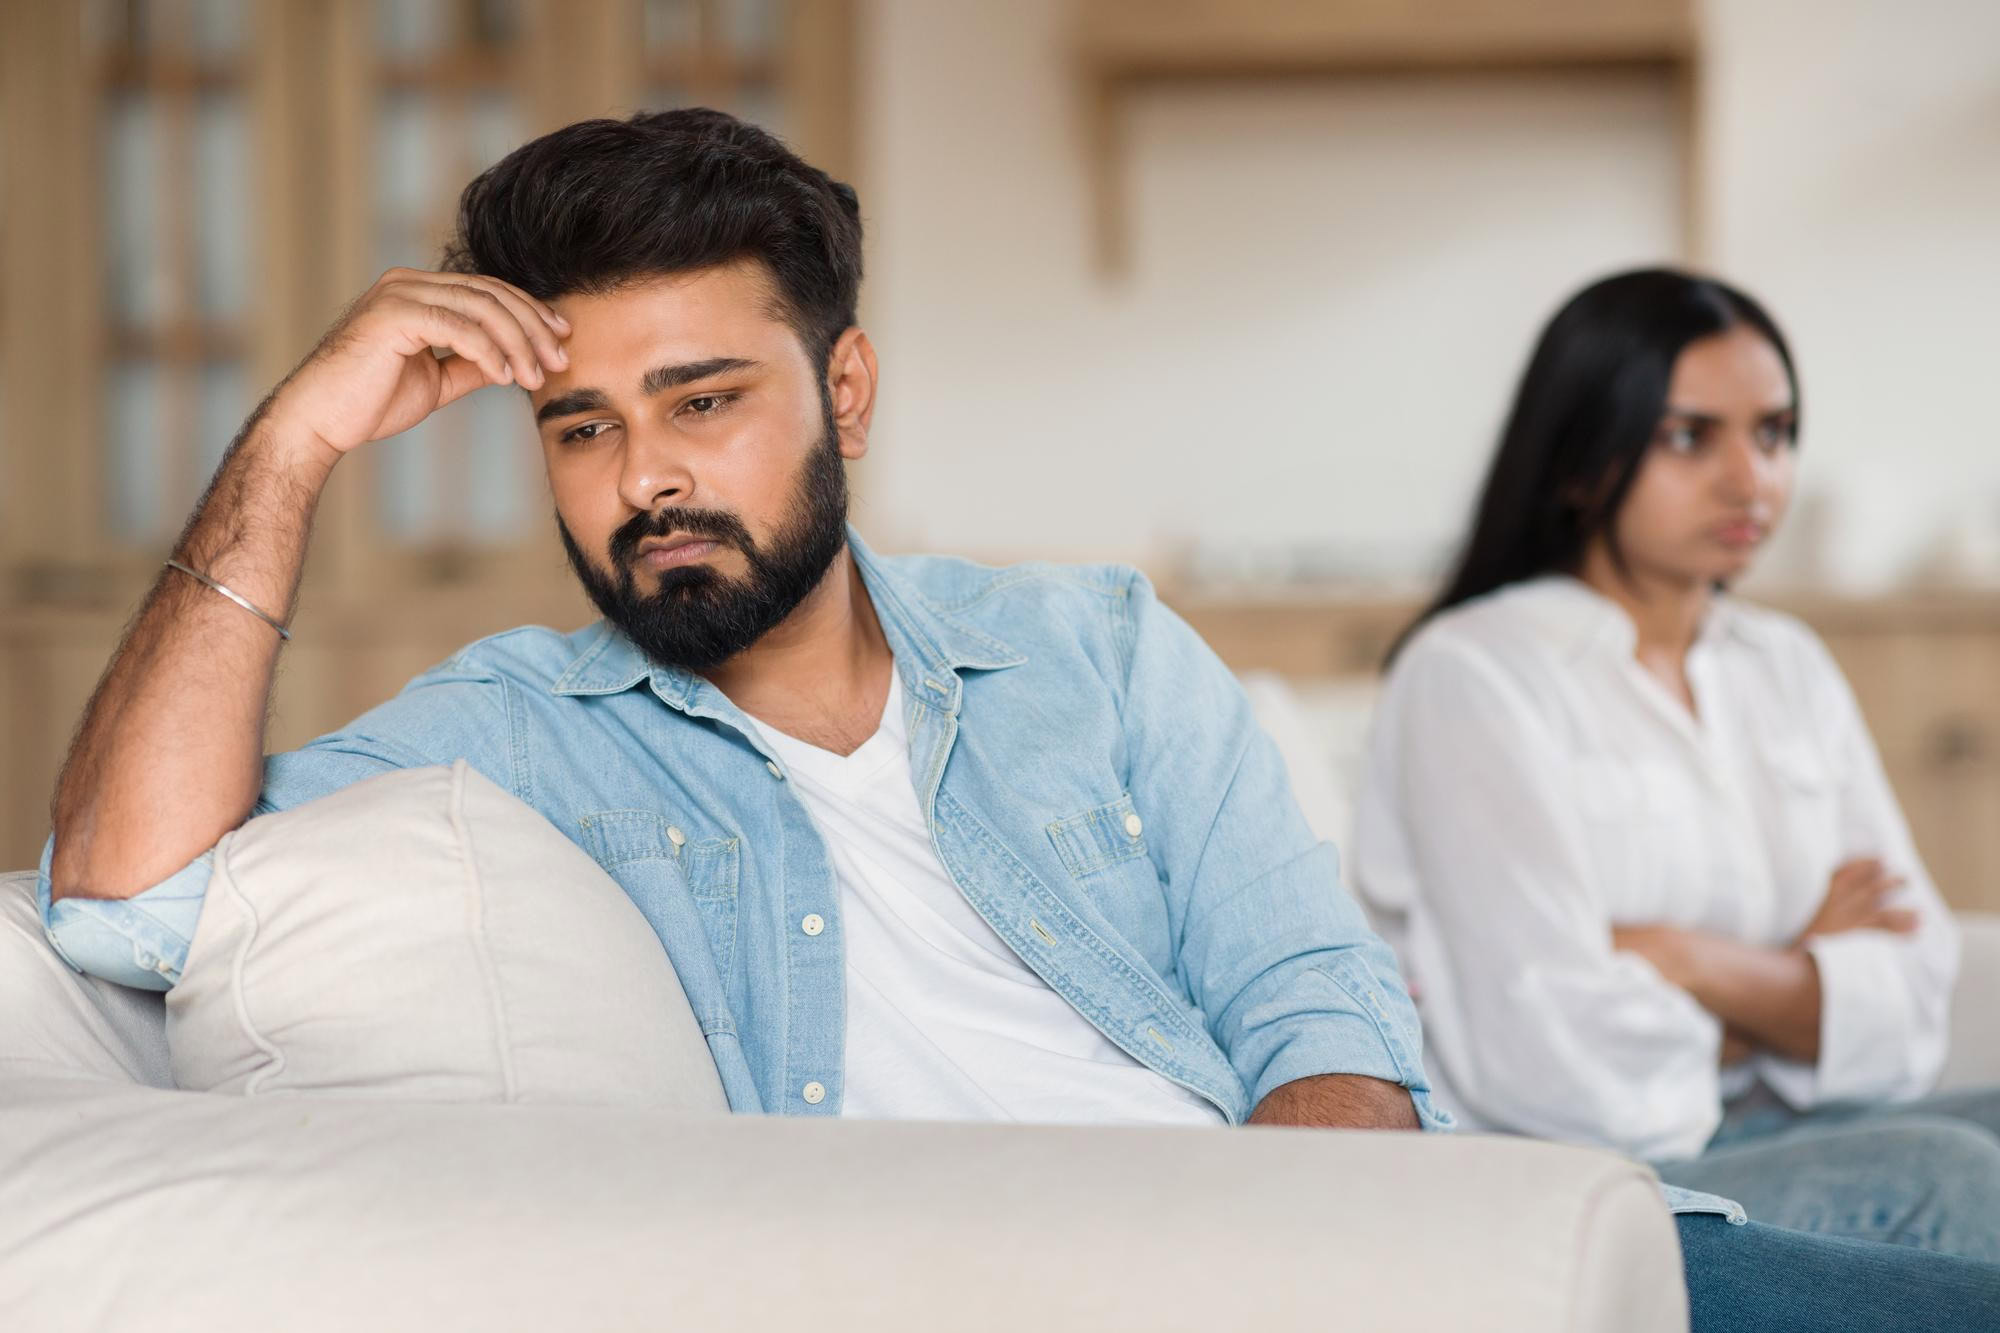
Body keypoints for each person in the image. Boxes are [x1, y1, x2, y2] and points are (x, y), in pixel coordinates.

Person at [36, 116, 1999, 1327]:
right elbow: (121, 902)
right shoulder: (517, 733)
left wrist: (1341, 1280)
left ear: (848, 391)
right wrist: (289, 442)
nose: (643, 477)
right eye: (581, 424)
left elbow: (1316, 1010)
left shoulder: (1097, 649)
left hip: (1403, 1251)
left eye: (703, 398)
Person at [1354, 268, 2000, 1264]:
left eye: (1772, 432)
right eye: (1689, 437)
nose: (1750, 480)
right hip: (1575, 1181)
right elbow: (1555, 1062)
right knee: (1952, 1178)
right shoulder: (1471, 676)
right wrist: (1797, 979)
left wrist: (1684, 958)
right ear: (1577, 461)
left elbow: (1908, 995)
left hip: (1739, 1136)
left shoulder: (1783, 664)